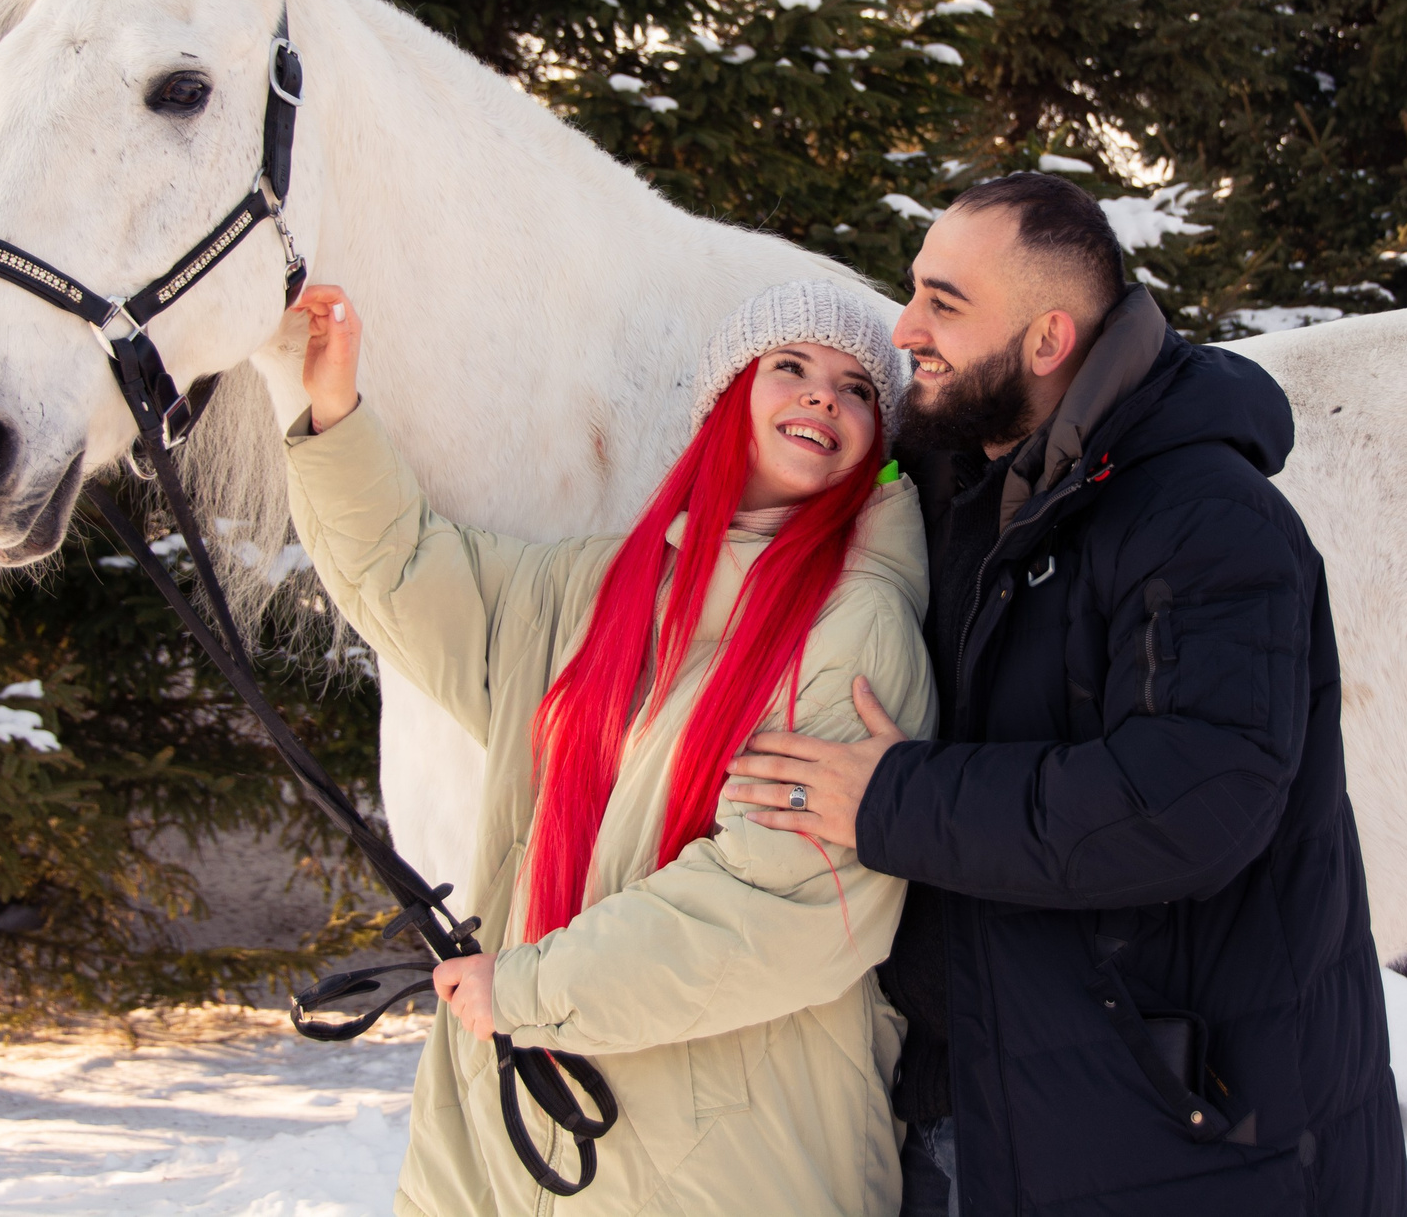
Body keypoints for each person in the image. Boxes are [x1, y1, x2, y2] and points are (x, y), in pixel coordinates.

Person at [725, 174, 1407, 1215]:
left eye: (944, 303)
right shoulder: (951, 490)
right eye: (913, 291)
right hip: (988, 1109)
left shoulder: (1208, 520)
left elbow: (1189, 802)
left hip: (1187, 1138)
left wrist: (892, 804)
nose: (903, 328)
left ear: (1047, 342)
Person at [283, 278, 935, 1216]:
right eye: (789, 366)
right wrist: (336, 407)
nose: (822, 395)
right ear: (728, 400)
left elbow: (767, 907)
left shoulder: (857, 630)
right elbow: (407, 568)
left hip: (734, 1160)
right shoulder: (590, 591)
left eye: (857, 387)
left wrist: (528, 988)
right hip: (513, 1136)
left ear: (876, 439)